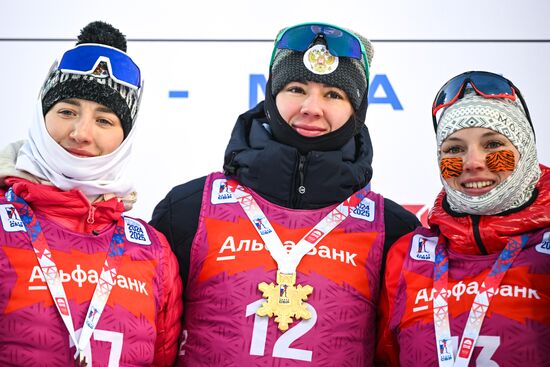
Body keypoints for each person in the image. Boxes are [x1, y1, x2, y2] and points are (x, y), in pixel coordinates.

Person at [151, 22, 419, 366]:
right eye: (296, 88)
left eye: (333, 95)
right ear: (272, 95)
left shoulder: (393, 230)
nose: (311, 107)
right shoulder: (188, 208)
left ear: (357, 110)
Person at [0, 21, 183, 366]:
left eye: (104, 121)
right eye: (67, 111)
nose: (81, 133)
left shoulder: (151, 250)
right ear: (41, 118)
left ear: (124, 137)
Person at [375, 71, 549, 366]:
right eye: (454, 149)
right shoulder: (407, 255)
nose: (472, 163)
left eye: (493, 145)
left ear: (525, 150)